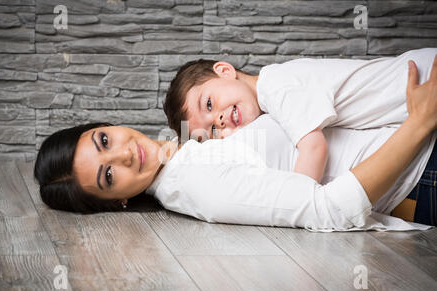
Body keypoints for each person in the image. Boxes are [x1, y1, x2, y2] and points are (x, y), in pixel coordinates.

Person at [33, 56, 437, 231]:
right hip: (423, 165)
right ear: (116, 200)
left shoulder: (186, 143)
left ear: (107, 124)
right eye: (108, 175)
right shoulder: (196, 184)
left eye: (104, 140)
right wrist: (419, 124)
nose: (123, 153)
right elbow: (326, 210)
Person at [163, 48, 437, 184]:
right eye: (212, 131)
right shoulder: (273, 94)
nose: (219, 122)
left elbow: (315, 149)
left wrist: (296, 203)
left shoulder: (276, 86)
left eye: (209, 104)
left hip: (424, 80)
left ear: (224, 70)